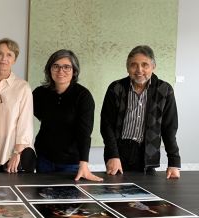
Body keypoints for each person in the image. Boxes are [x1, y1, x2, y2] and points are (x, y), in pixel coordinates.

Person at [100, 45, 180, 179]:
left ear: (153, 66)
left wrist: (174, 162)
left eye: (145, 65)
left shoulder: (165, 90)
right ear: (127, 68)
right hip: (119, 152)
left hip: (148, 153)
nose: (139, 70)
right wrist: (113, 155)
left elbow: (169, 128)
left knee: (148, 193)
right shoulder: (116, 88)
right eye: (134, 65)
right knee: (115, 194)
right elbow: (106, 125)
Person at [32, 49, 103, 182]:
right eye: (56, 66)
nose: (61, 71)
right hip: (43, 159)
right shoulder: (39, 93)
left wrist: (84, 163)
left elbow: (84, 133)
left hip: (71, 164)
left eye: (66, 67)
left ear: (74, 71)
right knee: (42, 200)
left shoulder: (83, 96)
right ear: (49, 69)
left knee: (69, 202)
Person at [0, 38, 36, 174]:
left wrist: (17, 153)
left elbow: (25, 124)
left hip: (12, 157)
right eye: (0, 53)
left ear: (14, 59)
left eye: (9, 55)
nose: (4, 58)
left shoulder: (23, 87)